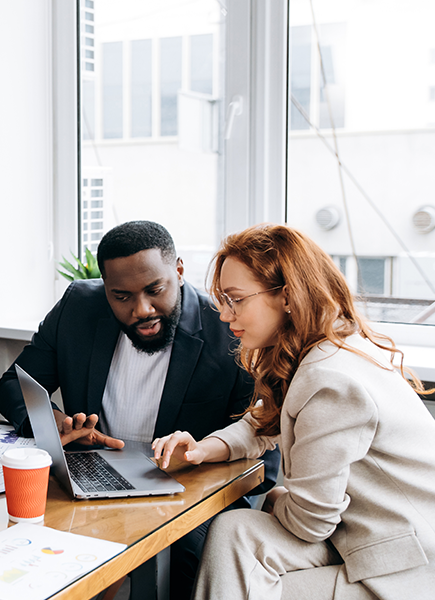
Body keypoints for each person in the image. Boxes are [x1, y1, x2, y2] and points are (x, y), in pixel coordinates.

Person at [0, 220, 279, 600]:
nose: (141, 309)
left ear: (178, 270)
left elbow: (263, 455)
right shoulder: (78, 307)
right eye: (121, 296)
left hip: (187, 492)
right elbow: (13, 384)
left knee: (185, 557)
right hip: (90, 479)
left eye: (154, 290)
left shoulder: (229, 328)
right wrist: (54, 423)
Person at [152, 224, 435, 599]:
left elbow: (309, 523)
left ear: (286, 296)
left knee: (243, 557)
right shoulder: (332, 345)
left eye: (236, 299)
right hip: (368, 537)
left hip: (406, 565)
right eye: (222, 299)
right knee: (236, 530)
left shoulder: (330, 380)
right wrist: (204, 449)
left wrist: (277, 500)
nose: (224, 314)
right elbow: (265, 420)